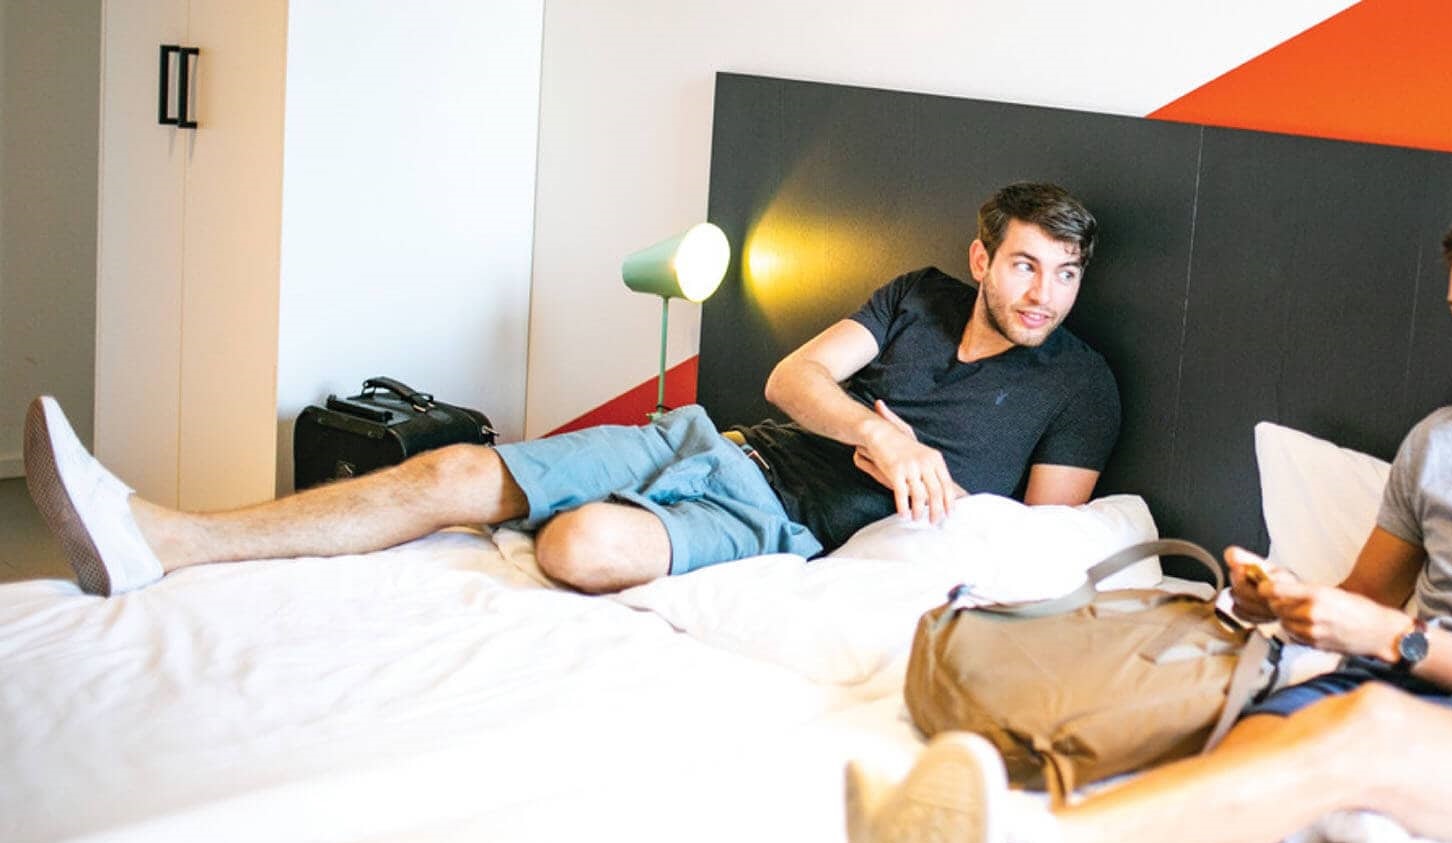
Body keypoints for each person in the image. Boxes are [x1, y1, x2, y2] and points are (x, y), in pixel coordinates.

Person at [843, 197, 1452, 843]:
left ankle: (1010, 837)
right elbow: (1357, 601)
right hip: (1378, 689)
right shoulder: (1445, 443)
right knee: (1216, 814)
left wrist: (1394, 639)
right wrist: (1283, 603)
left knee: (1367, 729)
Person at [24, 181, 1121, 597]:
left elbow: (1034, 545)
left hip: (782, 514)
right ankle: (165, 536)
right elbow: (794, 376)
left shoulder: (1079, 384)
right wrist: (885, 436)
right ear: (982, 259)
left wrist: (906, 487)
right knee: (454, 466)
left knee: (579, 548)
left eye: (1065, 274)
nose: (1044, 294)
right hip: (720, 437)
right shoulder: (921, 295)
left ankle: (162, 539)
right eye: (1026, 264)